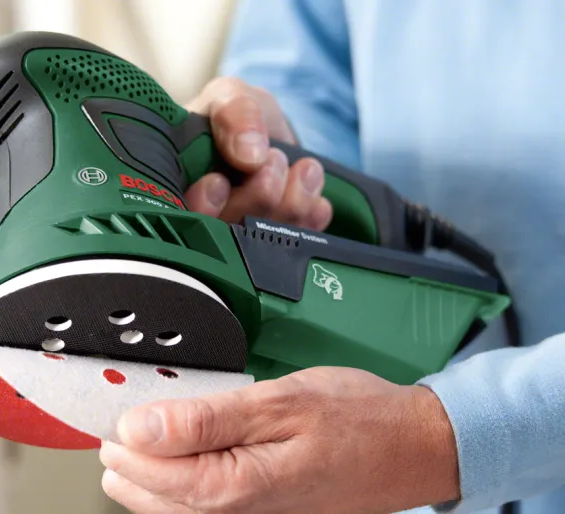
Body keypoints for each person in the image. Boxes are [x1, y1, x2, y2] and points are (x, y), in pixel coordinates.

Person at [98, 1, 565, 512]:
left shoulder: (403, 446)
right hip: (369, 452)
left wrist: (442, 438)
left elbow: (418, 442)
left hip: (384, 452)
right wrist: (272, 152)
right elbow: (302, 73)